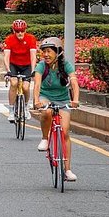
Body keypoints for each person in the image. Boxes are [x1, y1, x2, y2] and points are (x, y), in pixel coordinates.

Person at [32, 37, 80, 182]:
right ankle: (45, 139)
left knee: (65, 132)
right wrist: (36, 101)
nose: (45, 55)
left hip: (63, 99)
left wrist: (75, 99)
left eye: (48, 51)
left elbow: (74, 82)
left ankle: (68, 170)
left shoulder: (66, 65)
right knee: (46, 112)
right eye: (43, 52)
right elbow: (37, 84)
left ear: (58, 52)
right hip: (45, 96)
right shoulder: (41, 66)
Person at [3, 18, 38, 122]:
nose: (20, 33)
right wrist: (8, 70)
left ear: (25, 30)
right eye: (17, 31)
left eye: (22, 31)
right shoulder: (9, 39)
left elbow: (33, 56)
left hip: (26, 65)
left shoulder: (31, 38)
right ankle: (11, 111)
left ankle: (26, 107)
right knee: (14, 83)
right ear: (14, 31)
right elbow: (6, 57)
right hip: (14, 64)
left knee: (26, 87)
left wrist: (33, 70)